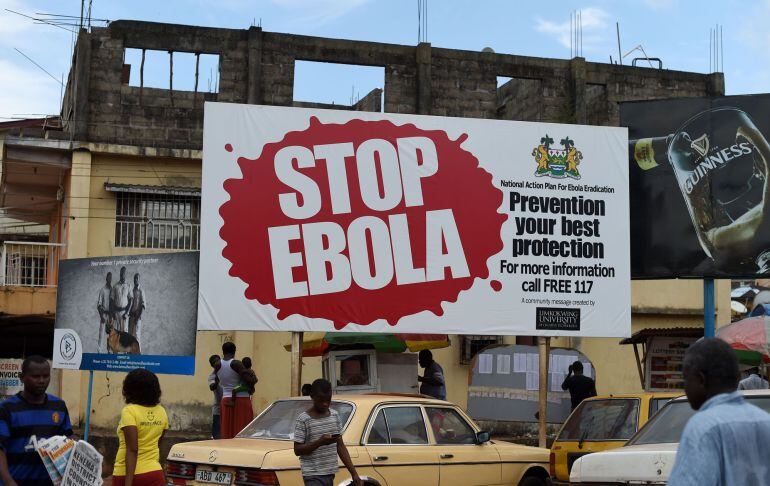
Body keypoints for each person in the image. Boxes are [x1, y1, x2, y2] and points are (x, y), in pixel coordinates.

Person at [668, 338, 770, 486]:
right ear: (736, 378)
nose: (685, 387)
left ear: (701, 380)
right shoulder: (765, 421)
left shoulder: (703, 427)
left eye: (686, 379)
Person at [0, 356, 73, 486]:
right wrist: (8, 481)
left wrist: (81, 449)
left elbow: (68, 439)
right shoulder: (7, 409)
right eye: (36, 376)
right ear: (22, 377)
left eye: (46, 376)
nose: (41, 381)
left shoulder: (59, 406)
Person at [293, 379, 361, 486]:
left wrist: (354, 474)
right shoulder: (303, 419)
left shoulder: (335, 416)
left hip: (329, 473)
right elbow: (297, 450)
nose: (325, 404)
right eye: (321, 400)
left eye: (328, 400)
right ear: (312, 396)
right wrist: (320, 442)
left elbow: (340, 446)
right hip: (312, 475)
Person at [112, 368, 169, 486]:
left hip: (127, 475)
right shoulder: (162, 411)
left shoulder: (129, 411)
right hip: (155, 473)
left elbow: (132, 449)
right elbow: (157, 442)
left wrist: (128, 483)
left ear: (130, 389)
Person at [216, 342, 257, 439]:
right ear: (234, 351)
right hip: (241, 400)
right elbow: (249, 380)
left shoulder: (217, 364)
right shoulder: (236, 363)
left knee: (226, 432)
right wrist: (253, 378)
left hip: (226, 399)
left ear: (223, 351)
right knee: (242, 432)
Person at [127, 273, 147, 346]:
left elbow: (143, 306)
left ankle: (138, 356)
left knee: (137, 336)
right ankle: (130, 355)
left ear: (139, 280)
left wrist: (137, 317)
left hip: (137, 317)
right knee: (130, 335)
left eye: (137, 278)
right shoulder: (131, 291)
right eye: (134, 278)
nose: (135, 280)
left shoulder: (141, 291)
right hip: (131, 317)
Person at [111, 266, 132, 332]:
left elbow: (131, 300)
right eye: (121, 273)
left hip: (124, 313)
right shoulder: (115, 286)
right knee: (116, 333)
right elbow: (111, 300)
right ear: (119, 274)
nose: (122, 275)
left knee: (124, 333)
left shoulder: (129, 285)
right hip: (116, 313)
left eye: (123, 273)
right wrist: (113, 312)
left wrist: (127, 313)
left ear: (125, 274)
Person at [97, 271, 113, 353]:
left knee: (110, 335)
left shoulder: (113, 290)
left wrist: (112, 316)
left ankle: (109, 351)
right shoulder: (102, 290)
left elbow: (113, 303)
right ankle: (99, 351)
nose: (110, 279)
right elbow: (99, 305)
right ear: (106, 278)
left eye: (111, 277)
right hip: (103, 314)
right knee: (101, 334)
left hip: (110, 315)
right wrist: (101, 316)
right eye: (108, 277)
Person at [208, 355, 223, 440]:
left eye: (218, 361)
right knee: (216, 434)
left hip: (229, 406)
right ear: (212, 365)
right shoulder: (212, 376)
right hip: (218, 409)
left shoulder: (228, 371)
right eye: (214, 362)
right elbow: (212, 387)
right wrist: (217, 380)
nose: (217, 363)